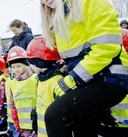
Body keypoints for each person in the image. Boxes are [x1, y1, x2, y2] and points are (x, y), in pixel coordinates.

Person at [40, 0, 128, 136]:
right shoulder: (60, 15)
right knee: (83, 126)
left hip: (111, 77)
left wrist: (74, 78)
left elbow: (107, 48)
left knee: (55, 116)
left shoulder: (90, 2)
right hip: (89, 79)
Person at [26, 37, 65, 137]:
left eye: (31, 63)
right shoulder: (41, 79)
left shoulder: (57, 81)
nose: (30, 66)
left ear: (38, 62)